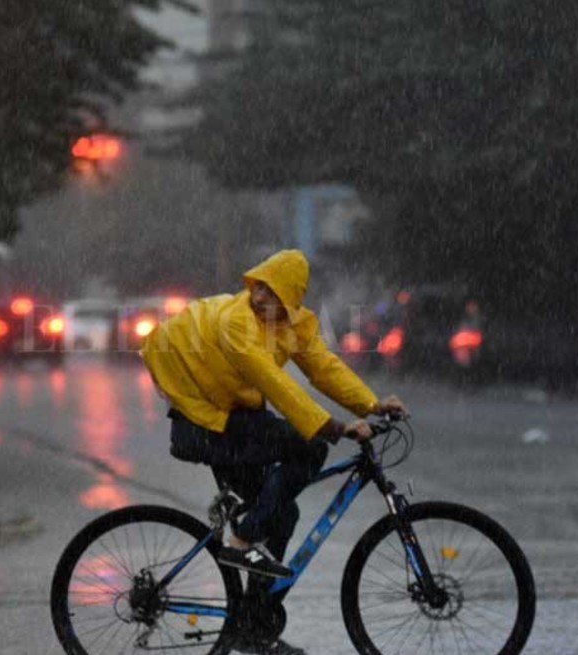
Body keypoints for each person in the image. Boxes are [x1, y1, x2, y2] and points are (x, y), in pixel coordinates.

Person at [140, 249, 407, 655]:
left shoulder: (292, 324)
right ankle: (244, 538)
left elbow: (323, 368)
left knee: (282, 514)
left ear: (289, 300)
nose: (260, 296)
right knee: (310, 447)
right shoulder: (236, 321)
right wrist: (335, 428)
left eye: (271, 292)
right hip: (203, 423)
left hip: (228, 417)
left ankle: (252, 628)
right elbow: (275, 385)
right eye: (258, 287)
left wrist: (371, 405)